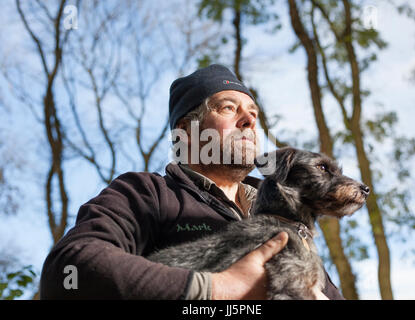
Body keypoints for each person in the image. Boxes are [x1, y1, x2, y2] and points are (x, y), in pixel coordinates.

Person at [39, 64, 344, 300]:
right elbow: (69, 269)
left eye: (253, 113)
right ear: (187, 129)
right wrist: (214, 289)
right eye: (228, 107)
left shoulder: (288, 214)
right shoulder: (149, 193)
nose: (250, 121)